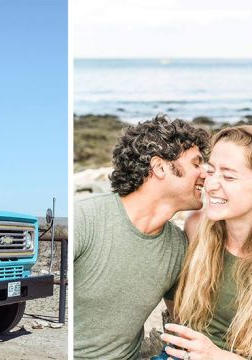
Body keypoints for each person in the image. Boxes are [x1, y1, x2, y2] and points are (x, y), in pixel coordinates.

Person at [74, 115, 210, 359]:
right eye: (196, 164)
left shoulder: (178, 246)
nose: (205, 173)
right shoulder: (85, 219)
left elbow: (184, 323)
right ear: (159, 167)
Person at [161, 126, 252, 359]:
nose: (210, 185)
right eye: (210, 171)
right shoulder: (197, 227)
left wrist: (214, 355)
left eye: (229, 176)